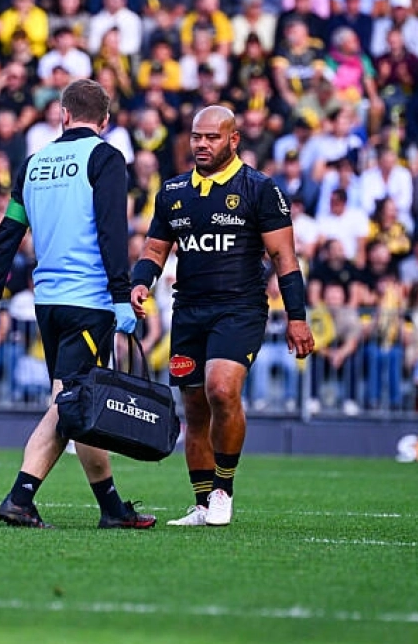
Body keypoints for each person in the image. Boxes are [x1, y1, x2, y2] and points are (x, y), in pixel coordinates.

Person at [0, 79, 153, 530]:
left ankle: (111, 509)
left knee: (80, 401)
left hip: (47, 304)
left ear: (63, 115)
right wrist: (119, 294)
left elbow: (6, 238)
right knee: (72, 402)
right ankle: (20, 496)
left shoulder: (33, 163)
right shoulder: (105, 158)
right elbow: (113, 230)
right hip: (89, 301)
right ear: (105, 122)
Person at [130, 105, 314, 527]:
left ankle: (223, 490)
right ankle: (200, 503)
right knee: (193, 406)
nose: (202, 144)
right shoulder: (173, 191)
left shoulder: (260, 189)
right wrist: (141, 281)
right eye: (197, 136)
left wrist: (297, 317)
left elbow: (284, 257)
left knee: (221, 389)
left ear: (233, 140)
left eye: (212, 137)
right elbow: (155, 249)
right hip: (189, 310)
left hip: (240, 308)